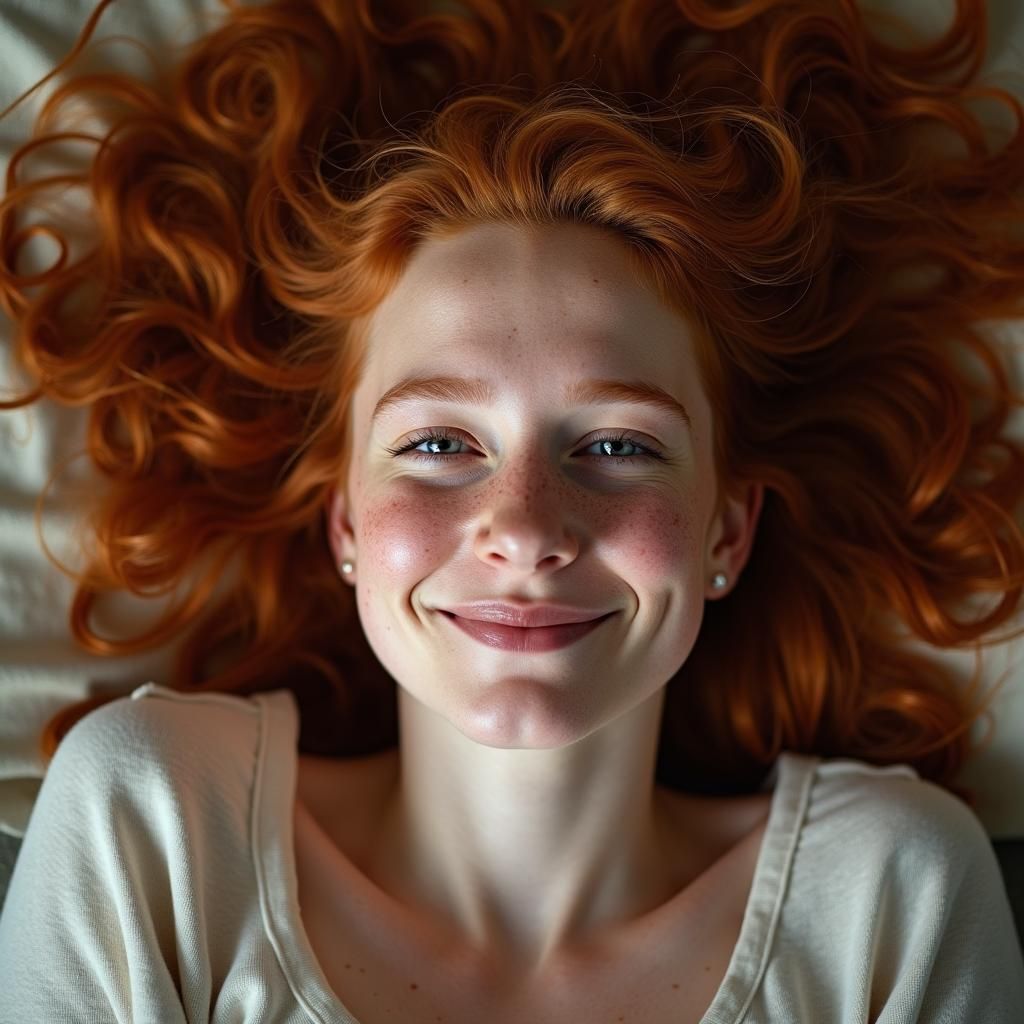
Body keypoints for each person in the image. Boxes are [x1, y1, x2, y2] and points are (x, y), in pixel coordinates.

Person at [0, 0, 1022, 1020]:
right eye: (439, 444)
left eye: (617, 445)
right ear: (346, 520)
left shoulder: (891, 898)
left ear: (728, 528)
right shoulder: (155, 824)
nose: (526, 529)